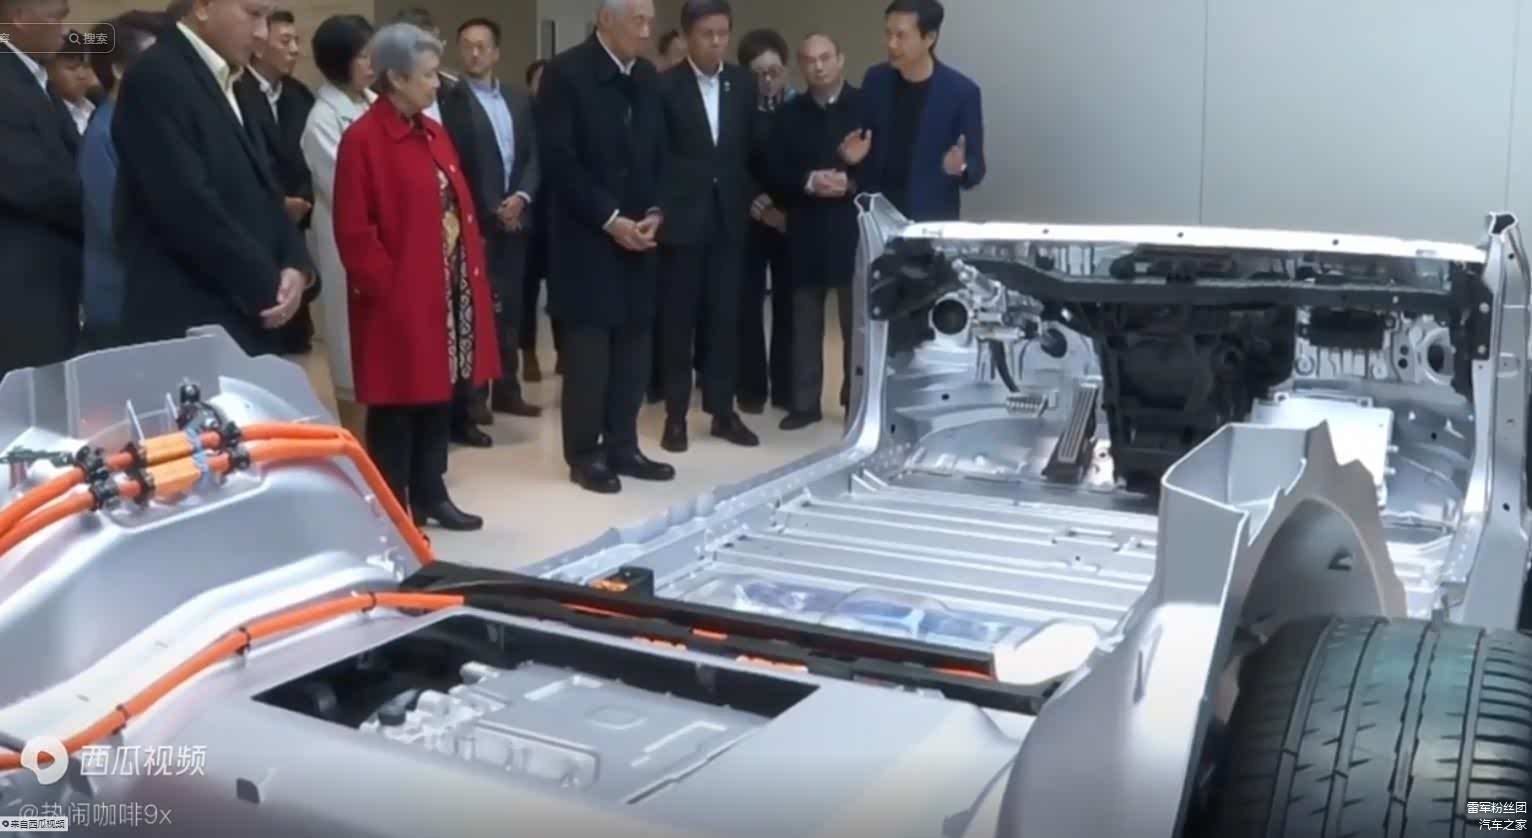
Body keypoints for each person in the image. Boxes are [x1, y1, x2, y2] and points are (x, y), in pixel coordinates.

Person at [332, 23, 498, 531]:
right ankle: (391, 505)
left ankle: (431, 491)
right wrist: (389, 289)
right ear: (396, 78)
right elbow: (354, 231)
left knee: (437, 396)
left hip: (446, 289)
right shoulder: (363, 140)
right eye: (427, 75)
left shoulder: (433, 132)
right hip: (397, 299)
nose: (436, 83)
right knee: (398, 406)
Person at [112, 0, 313, 357]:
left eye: (267, 18)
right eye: (253, 15)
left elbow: (267, 188)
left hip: (244, 311)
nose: (261, 33)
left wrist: (295, 264)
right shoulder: (156, 76)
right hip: (189, 315)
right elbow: (187, 206)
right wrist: (269, 285)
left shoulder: (237, 81)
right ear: (203, 6)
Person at [540, 0, 674, 495]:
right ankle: (584, 454)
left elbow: (660, 153)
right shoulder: (565, 74)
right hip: (586, 237)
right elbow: (560, 162)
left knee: (635, 350)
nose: (647, 31)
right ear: (606, 20)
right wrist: (611, 219)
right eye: (638, 21)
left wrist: (656, 210)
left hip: (641, 235)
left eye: (650, 22)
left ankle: (623, 444)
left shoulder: (647, 77)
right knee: (590, 355)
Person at [653, 0, 760, 453]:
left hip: (729, 219)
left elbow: (751, 148)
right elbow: (656, 155)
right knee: (679, 322)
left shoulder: (743, 83)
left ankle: (722, 410)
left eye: (723, 33)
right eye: (706, 34)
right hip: (682, 221)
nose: (716, 42)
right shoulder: (665, 86)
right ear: (686, 37)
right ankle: (676, 414)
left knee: (724, 319)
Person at [770, 33, 860, 430]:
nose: (818, 66)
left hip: (852, 228)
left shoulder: (865, 106)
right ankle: (805, 403)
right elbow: (776, 169)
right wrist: (808, 181)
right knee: (804, 321)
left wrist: (852, 182)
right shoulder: (790, 114)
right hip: (806, 227)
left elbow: (885, 166)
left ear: (841, 59)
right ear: (801, 66)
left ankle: (856, 400)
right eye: (809, 60)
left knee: (856, 323)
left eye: (825, 57)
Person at [457, 16, 542, 420]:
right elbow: (460, 164)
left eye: (481, 46)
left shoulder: (518, 98)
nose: (474, 54)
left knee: (512, 309)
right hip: (477, 223)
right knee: (477, 311)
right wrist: (493, 208)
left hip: (518, 218)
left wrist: (521, 197)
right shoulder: (450, 101)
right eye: (467, 46)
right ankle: (474, 398)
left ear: (496, 53)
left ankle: (508, 390)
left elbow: (535, 154)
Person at [300, 12, 374, 438]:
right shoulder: (323, 120)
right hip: (347, 245)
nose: (372, 63)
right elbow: (350, 189)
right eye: (363, 56)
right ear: (339, 60)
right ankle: (357, 443)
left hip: (385, 242)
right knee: (351, 350)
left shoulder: (373, 103)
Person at [843, 0, 985, 222]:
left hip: (930, 220)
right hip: (876, 218)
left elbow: (976, 167)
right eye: (888, 33)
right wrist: (851, 158)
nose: (891, 44)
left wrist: (961, 167)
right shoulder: (876, 80)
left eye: (901, 36)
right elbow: (863, 145)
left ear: (929, 38)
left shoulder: (961, 93)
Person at [0, 0, 81, 380]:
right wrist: (102, 207)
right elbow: (33, 181)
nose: (64, 30)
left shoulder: (31, 75)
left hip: (51, 273)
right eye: (56, 17)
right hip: (22, 281)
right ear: (18, 18)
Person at [78, 11, 163, 351]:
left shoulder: (145, 124)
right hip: (121, 303)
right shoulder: (103, 134)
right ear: (117, 69)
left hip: (152, 296)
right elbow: (117, 225)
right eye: (152, 61)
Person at [236, 8, 319, 356]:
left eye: (297, 41)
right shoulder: (235, 91)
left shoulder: (300, 95)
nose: (295, 49)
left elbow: (310, 158)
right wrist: (276, 203)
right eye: (285, 41)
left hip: (297, 224)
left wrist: (303, 200)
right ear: (259, 44)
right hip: (253, 222)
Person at [735, 27, 795, 414]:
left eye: (774, 71)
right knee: (747, 305)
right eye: (759, 73)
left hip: (792, 218)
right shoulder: (737, 111)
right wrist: (762, 209)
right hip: (748, 216)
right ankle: (751, 388)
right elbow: (732, 165)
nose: (768, 80)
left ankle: (787, 389)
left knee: (790, 305)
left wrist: (786, 213)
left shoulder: (799, 108)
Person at [518, 57, 560, 383]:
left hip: (560, 214)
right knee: (527, 290)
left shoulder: (564, 113)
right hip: (531, 211)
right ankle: (528, 352)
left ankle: (564, 352)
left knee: (562, 288)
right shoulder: (522, 116)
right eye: (539, 81)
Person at [46, 35, 98, 134]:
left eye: (86, 66)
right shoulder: (47, 114)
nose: (82, 75)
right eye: (72, 68)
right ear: (48, 70)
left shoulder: (97, 106)